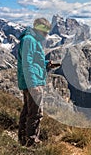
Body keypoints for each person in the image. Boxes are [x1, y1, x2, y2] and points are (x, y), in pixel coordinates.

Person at [17, 17, 52, 147]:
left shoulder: (30, 39)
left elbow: (34, 61)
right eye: (45, 32)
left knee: (27, 111)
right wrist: (33, 85)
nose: (46, 35)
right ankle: (31, 141)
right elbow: (27, 64)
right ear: (38, 30)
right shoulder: (29, 40)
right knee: (36, 113)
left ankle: (22, 139)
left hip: (30, 82)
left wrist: (46, 64)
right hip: (33, 82)